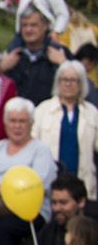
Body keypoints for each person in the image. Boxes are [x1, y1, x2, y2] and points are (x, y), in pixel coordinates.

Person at [0, 97, 58, 245]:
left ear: (31, 123)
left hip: (27, 210)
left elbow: (40, 183)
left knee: (1, 229)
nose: (17, 126)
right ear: (5, 123)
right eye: (12, 121)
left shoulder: (40, 150)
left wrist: (1, 190)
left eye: (22, 121)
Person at [32, 61, 98, 196]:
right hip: (49, 183)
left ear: (81, 84)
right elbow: (32, 144)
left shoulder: (92, 113)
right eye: (64, 79)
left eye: (73, 80)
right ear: (58, 82)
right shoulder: (42, 110)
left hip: (83, 183)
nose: (68, 83)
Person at [1, 7, 70, 107]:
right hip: (19, 117)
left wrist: (63, 64)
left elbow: (79, 83)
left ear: (45, 26)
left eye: (33, 25)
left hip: (50, 114)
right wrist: (1, 69)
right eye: (24, 25)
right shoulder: (12, 54)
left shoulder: (59, 53)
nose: (28, 30)